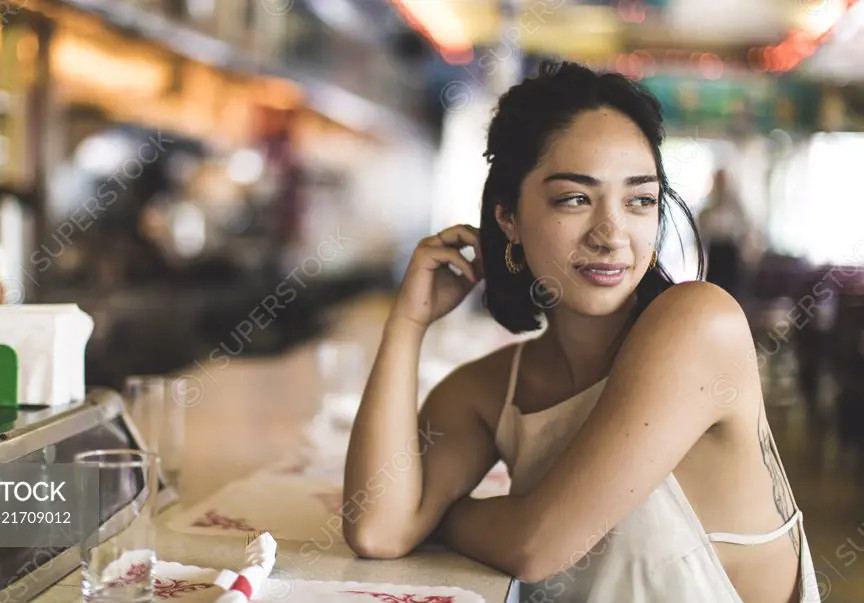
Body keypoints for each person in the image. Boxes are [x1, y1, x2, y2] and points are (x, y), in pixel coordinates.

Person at [343, 60, 819, 602]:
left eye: (640, 200)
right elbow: (378, 529)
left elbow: (536, 544)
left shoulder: (700, 325)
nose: (612, 234)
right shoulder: (492, 390)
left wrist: (442, 517)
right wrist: (407, 325)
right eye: (575, 198)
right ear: (508, 218)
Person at [698, 168, 752, 298]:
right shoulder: (709, 207)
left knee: (733, 291)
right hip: (716, 252)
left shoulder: (737, 208)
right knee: (714, 290)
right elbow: (702, 228)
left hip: (731, 253)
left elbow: (745, 230)